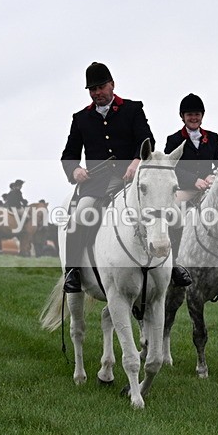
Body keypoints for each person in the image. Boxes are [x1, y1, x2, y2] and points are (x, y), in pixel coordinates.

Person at [60, 62, 155, 293]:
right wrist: (76, 170)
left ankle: (173, 267)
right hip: (97, 184)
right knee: (80, 215)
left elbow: (147, 140)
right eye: (92, 90)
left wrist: (136, 162)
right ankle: (72, 272)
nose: (97, 93)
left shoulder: (132, 109)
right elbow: (68, 155)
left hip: (131, 179)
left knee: (163, 210)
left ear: (112, 84)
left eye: (101, 87)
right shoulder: (81, 118)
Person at [164, 93, 218, 286]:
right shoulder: (174, 139)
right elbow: (170, 166)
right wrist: (193, 180)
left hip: (208, 190)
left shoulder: (213, 138)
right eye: (190, 114)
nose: (194, 117)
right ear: (182, 116)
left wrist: (213, 175)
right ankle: (174, 263)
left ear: (202, 115)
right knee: (173, 214)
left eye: (197, 114)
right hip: (184, 190)